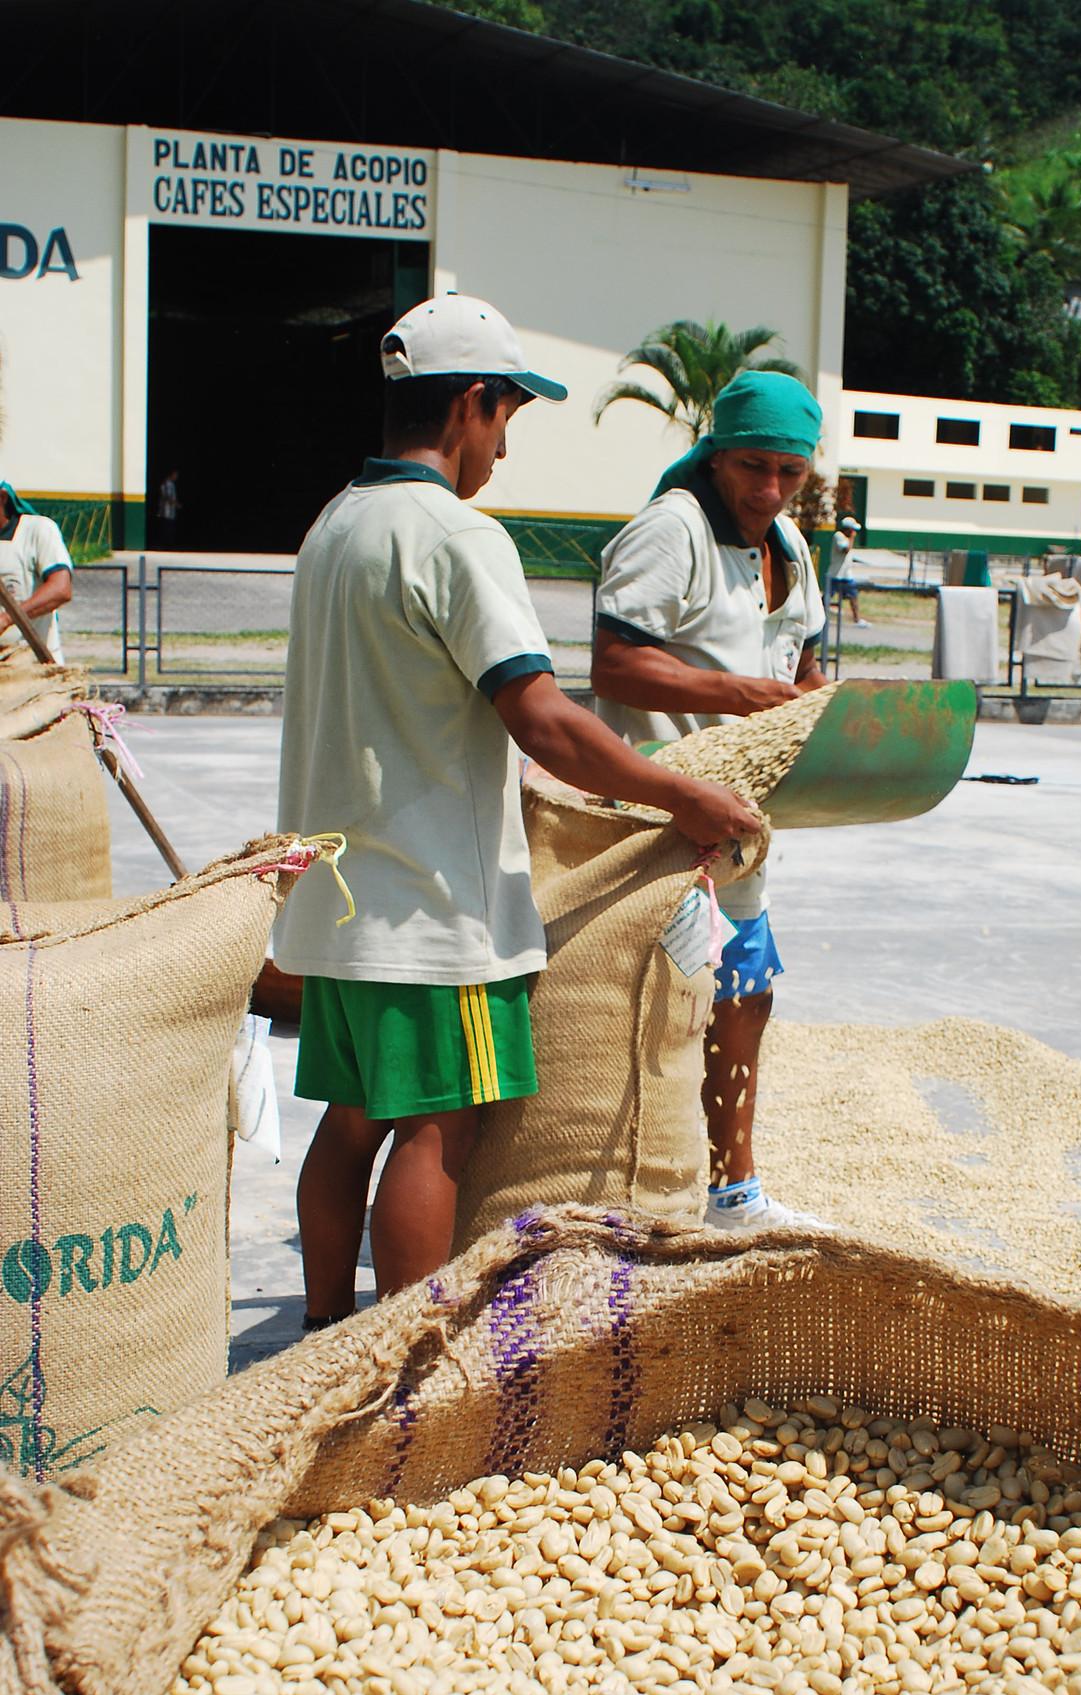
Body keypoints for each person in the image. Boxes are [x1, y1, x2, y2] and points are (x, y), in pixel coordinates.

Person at [274, 293, 760, 1327]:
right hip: (431, 908)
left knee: (353, 1118)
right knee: (439, 1129)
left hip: (339, 901)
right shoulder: (456, 534)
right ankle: (406, 1365)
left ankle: (324, 1335)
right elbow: (539, 715)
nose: (501, 449)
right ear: (473, 406)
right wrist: (683, 793)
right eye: (506, 421)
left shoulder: (333, 525)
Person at [591, 369, 832, 1233]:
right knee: (649, 1009)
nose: (768, 490)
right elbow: (613, 665)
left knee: (743, 993)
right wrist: (741, 696)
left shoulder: (794, 549)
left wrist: (822, 706)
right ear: (717, 454)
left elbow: (797, 665)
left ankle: (732, 1188)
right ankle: (625, 1192)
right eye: (752, 467)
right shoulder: (671, 530)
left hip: (742, 823)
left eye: (789, 474)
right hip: (658, 816)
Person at [0, 482, 74, 662]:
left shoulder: (36, 531)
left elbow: (60, 589)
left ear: (2, 498)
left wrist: (8, 619)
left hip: (33, 666)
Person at [827, 513, 864, 627]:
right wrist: (852, 538)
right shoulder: (838, 536)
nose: (854, 532)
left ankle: (857, 619)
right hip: (836, 574)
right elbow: (846, 549)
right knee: (827, 598)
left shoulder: (846, 538)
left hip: (846, 574)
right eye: (852, 530)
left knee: (853, 596)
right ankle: (819, 617)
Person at [154, 469, 181, 549]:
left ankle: (169, 544)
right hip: (165, 511)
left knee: (170, 528)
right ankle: (165, 545)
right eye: (175, 475)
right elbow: (166, 496)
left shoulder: (172, 484)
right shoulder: (166, 484)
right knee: (166, 528)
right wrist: (176, 504)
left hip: (171, 512)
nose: (176, 477)